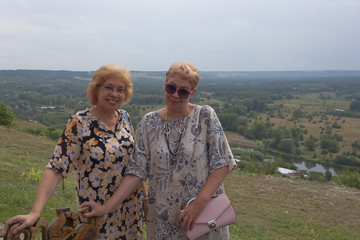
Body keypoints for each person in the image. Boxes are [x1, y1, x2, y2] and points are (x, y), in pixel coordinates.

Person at [80, 62, 236, 239]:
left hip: (202, 218)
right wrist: (106, 207)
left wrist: (198, 205)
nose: (175, 95)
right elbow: (136, 172)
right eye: (171, 88)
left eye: (183, 91)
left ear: (192, 92)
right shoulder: (149, 123)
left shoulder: (205, 116)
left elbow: (222, 163)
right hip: (163, 223)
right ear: (164, 85)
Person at [5, 64, 148, 239]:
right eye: (109, 87)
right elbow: (56, 167)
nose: (115, 94)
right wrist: (35, 212)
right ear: (96, 89)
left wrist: (145, 198)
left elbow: (134, 164)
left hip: (131, 212)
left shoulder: (125, 118)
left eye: (121, 89)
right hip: (97, 215)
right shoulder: (79, 123)